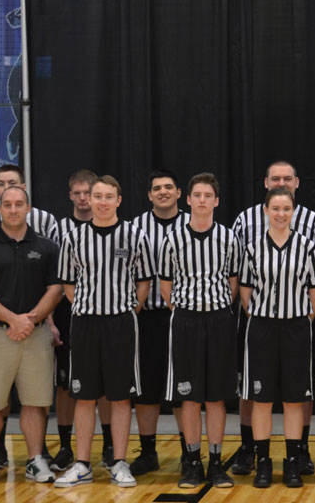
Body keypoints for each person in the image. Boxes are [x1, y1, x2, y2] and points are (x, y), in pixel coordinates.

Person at [53, 176, 154, 489]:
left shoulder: (135, 236)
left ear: (119, 200)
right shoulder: (73, 237)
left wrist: (125, 310)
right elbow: (67, 283)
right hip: (84, 323)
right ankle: (82, 464)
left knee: (120, 397)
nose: (102, 201)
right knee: (84, 396)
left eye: (109, 196)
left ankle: (120, 462)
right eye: (97, 196)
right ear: (89, 200)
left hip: (121, 324)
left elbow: (144, 282)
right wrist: (86, 305)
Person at [227, 160, 315, 477]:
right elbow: (245, 291)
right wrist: (260, 315)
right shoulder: (253, 249)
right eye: (276, 208)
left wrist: (304, 317)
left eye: (286, 209)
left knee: (296, 400)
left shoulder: (307, 246)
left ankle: (293, 461)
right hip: (262, 328)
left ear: (293, 211)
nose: (281, 213)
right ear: (266, 210)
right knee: (262, 399)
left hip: (296, 327)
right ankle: (264, 462)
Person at [0, 186, 63, 486]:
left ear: (28, 208)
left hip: (36, 334)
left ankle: (35, 460)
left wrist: (30, 320)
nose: (13, 209)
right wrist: (12, 319)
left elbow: (56, 288)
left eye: (19, 204)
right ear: (0, 209)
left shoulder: (47, 247)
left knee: (36, 402)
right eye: (7, 204)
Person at [162, 173, 241, 490]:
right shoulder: (173, 238)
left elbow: (233, 283)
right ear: (188, 199)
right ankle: (192, 462)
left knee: (216, 397)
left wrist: (215, 306)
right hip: (186, 321)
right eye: (198, 195)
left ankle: (217, 462)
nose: (203, 200)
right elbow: (166, 286)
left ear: (216, 201)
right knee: (190, 398)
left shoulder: (229, 238)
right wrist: (186, 311)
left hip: (219, 320)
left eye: (209, 195)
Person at [126, 170, 189, 476]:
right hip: (146, 316)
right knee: (146, 389)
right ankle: (148, 451)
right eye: (156, 188)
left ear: (179, 193)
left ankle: (189, 452)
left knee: (182, 388)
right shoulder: (133, 227)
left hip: (183, 318)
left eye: (168, 187)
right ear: (149, 195)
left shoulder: (194, 224)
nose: (162, 192)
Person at [50, 168, 98, 471]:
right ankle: (66, 446)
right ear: (70, 195)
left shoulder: (114, 227)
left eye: (87, 193)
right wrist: (52, 321)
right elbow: (53, 282)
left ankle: (107, 447)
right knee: (66, 384)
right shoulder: (59, 230)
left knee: (104, 385)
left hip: (103, 313)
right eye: (77, 193)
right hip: (69, 314)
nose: (83, 198)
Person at [0, 164, 60, 242]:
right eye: (1, 184)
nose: (6, 188)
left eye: (12, 183)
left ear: (23, 187)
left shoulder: (45, 219)